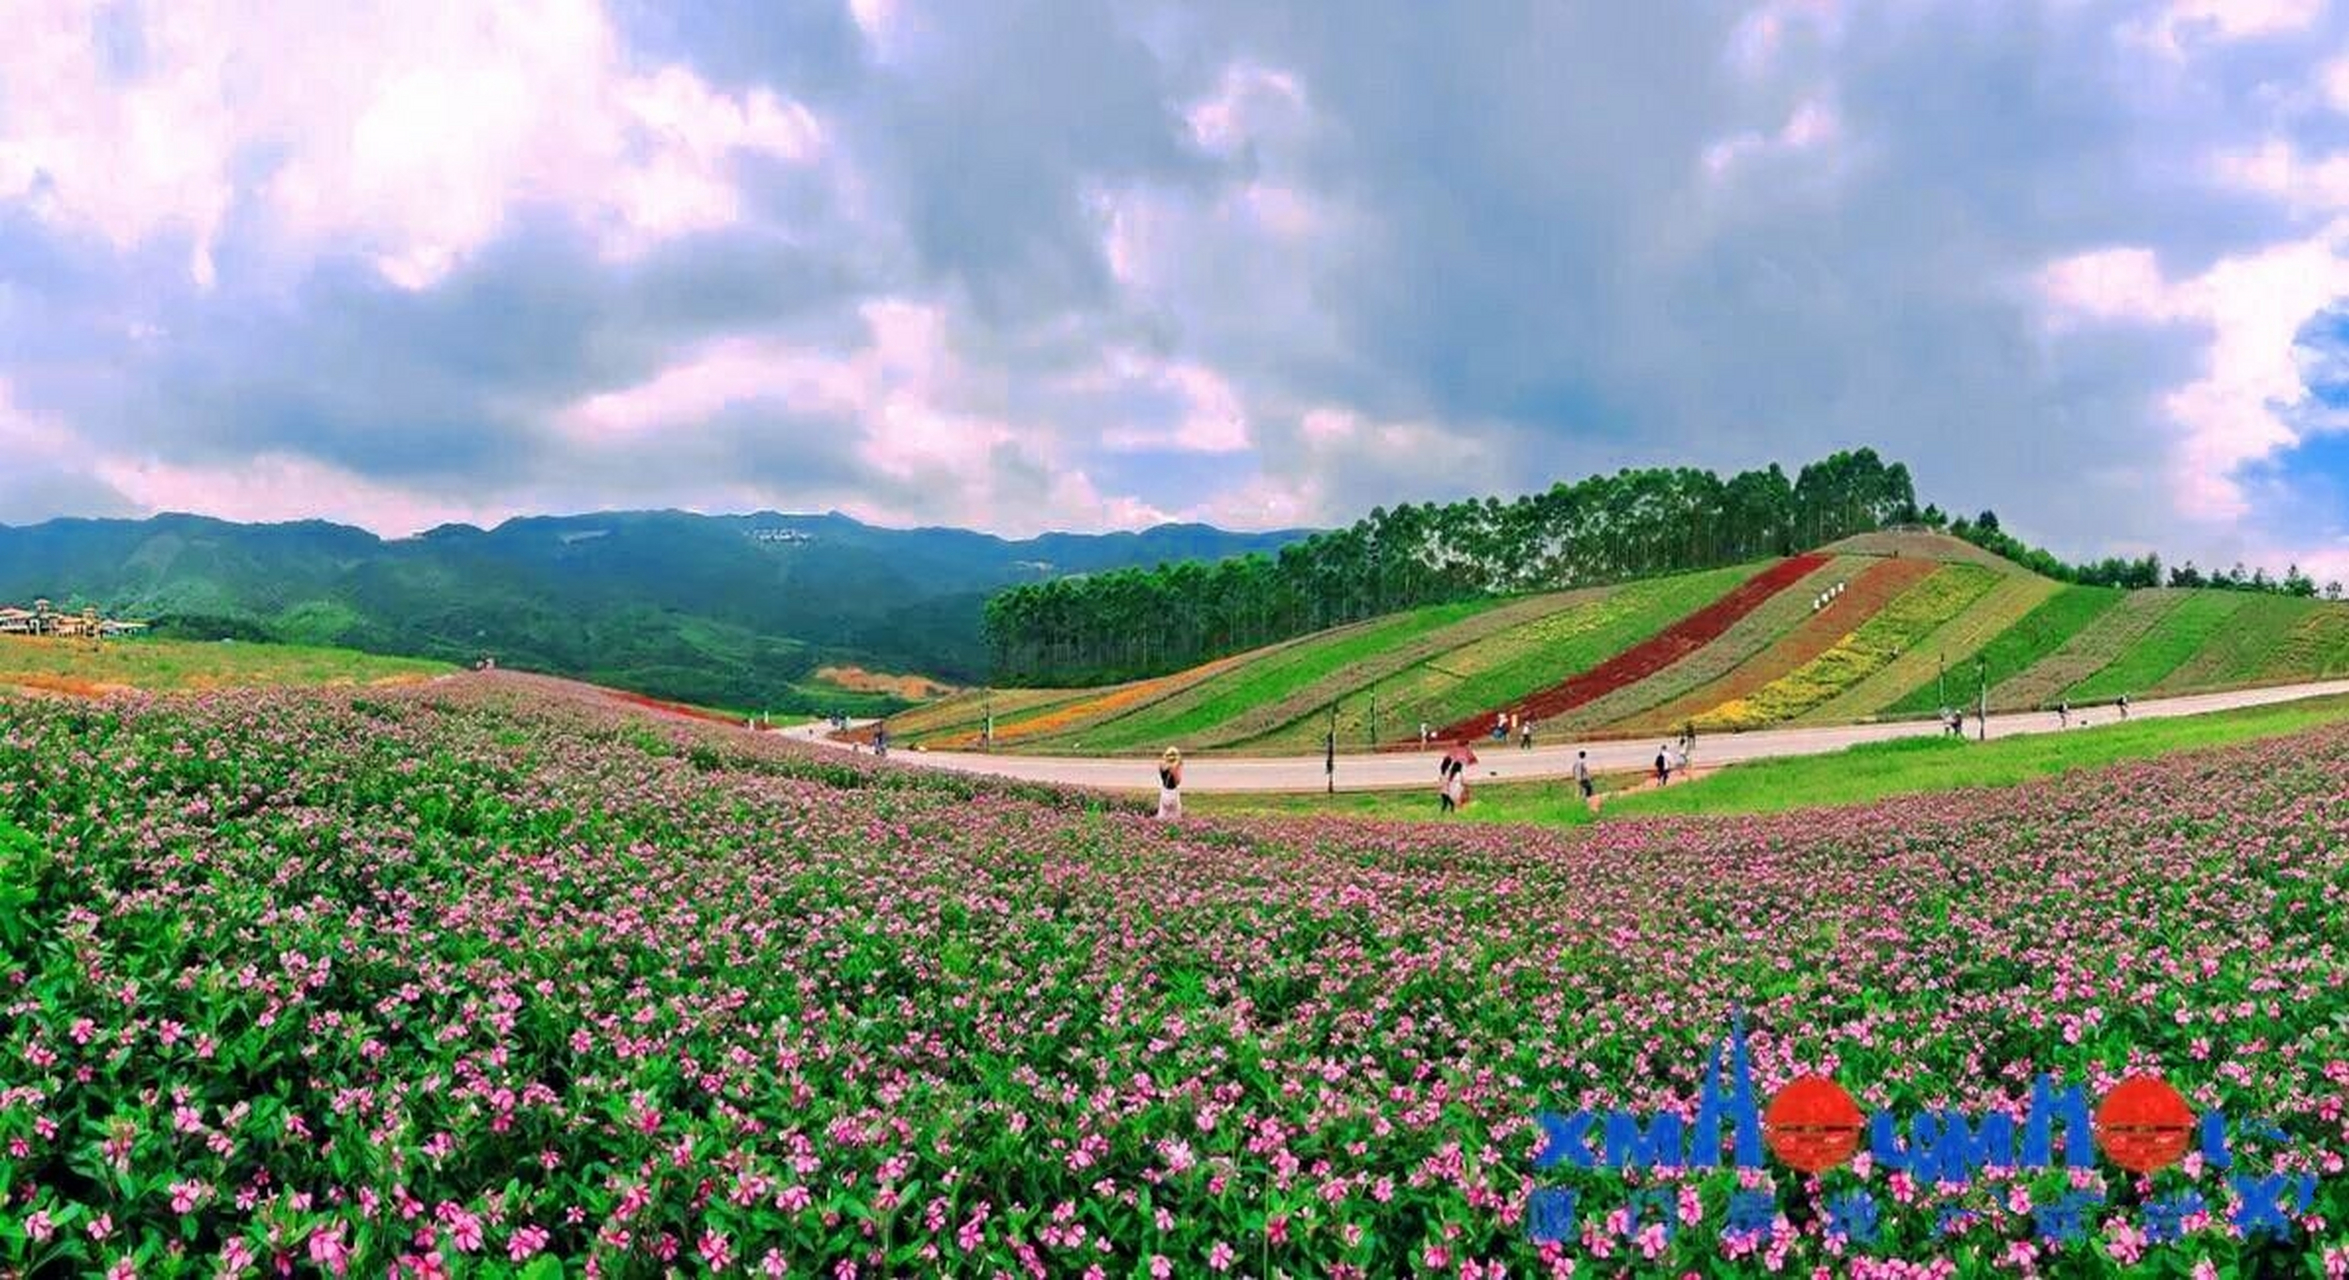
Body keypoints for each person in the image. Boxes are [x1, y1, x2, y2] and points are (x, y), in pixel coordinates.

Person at [1156, 748, 1184, 821]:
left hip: (1164, 791)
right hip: (1173, 793)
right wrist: (1179, 766)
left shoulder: (1161, 766)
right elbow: (1177, 781)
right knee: (1174, 816)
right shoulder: (1174, 768)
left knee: (1163, 815)